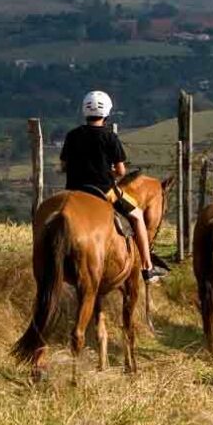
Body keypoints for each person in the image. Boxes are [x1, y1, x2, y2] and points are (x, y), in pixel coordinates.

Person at [60, 90, 168, 283]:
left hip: (74, 191)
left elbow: (63, 165)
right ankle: (147, 267)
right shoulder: (110, 137)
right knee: (137, 217)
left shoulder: (72, 135)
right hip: (105, 191)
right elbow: (121, 172)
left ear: (84, 111)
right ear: (107, 113)